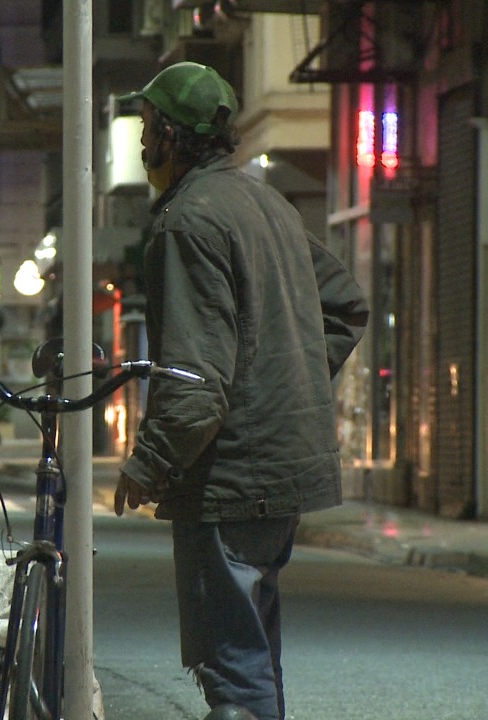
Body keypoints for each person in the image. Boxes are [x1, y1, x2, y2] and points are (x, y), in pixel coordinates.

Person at [111, 62, 369, 720]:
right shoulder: (268, 205)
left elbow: (196, 383)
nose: (142, 144)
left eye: (147, 128)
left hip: (229, 476)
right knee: (256, 652)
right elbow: (346, 306)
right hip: (280, 473)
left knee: (232, 662)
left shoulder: (187, 222)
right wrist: (286, 381)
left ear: (168, 136)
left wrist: (148, 464)